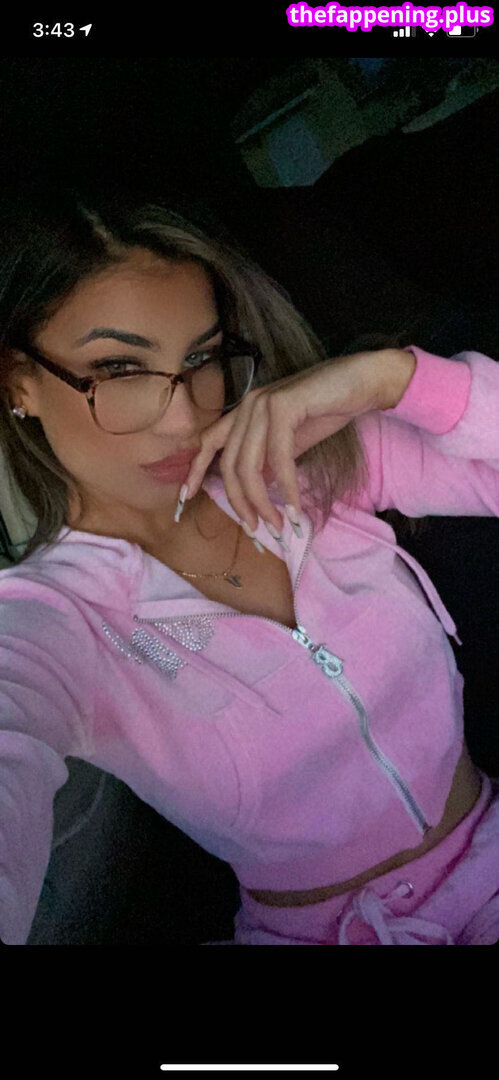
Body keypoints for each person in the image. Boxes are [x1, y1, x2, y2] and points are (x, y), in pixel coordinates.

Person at [0, 185, 498, 945]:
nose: (183, 416)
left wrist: (391, 378)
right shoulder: (48, 622)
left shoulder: (305, 466)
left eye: (203, 358)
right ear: (19, 383)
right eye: (120, 368)